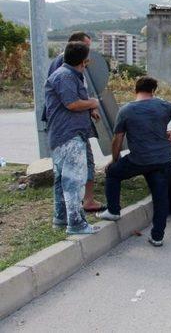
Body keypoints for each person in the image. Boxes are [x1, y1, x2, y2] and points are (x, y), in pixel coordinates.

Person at [97, 76, 171, 247]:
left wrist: (115, 160)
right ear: (153, 90)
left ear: (136, 90)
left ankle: (113, 210)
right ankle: (157, 237)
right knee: (161, 198)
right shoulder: (163, 105)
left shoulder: (126, 110)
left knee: (112, 173)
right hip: (162, 159)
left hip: (138, 159)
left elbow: (117, 139)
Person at [45, 41, 100, 234]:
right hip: (68, 135)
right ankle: (76, 224)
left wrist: (90, 108)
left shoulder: (68, 75)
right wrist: (93, 102)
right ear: (84, 60)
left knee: (62, 180)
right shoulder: (65, 76)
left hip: (63, 135)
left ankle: (60, 219)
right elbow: (72, 104)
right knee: (73, 180)